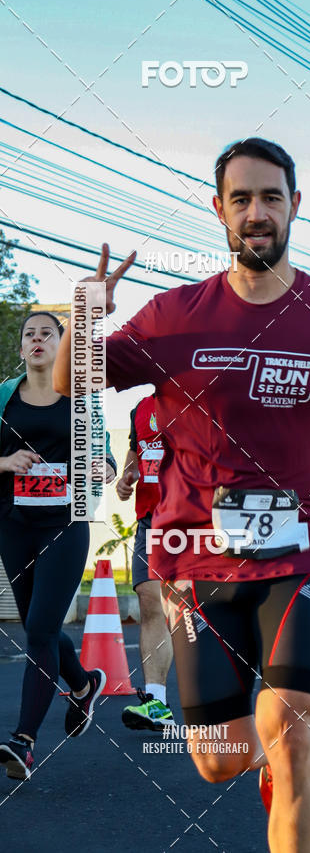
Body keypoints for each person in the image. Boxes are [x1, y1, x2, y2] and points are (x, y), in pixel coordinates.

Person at [53, 138, 310, 852]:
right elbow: (70, 380)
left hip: (308, 550)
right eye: (241, 199)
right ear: (219, 210)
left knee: (293, 723)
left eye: (271, 197)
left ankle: (286, 766)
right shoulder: (174, 315)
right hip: (197, 556)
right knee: (219, 759)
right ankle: (267, 761)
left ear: (294, 205)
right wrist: (84, 316)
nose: (257, 212)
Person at [0, 312, 116, 780]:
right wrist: (6, 461)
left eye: (48, 333)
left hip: (65, 525)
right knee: (38, 625)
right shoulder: (4, 398)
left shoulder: (80, 400)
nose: (38, 339)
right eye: (30, 334)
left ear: (61, 347)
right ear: (21, 348)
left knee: (40, 630)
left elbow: (104, 452)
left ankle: (23, 743)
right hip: (14, 524)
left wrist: (106, 466)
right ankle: (84, 686)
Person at [118, 394, 175, 730]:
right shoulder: (139, 408)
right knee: (150, 601)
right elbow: (135, 452)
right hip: (151, 519)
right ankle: (157, 702)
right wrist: (128, 477)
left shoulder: (205, 399)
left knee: (201, 612)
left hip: (196, 519)